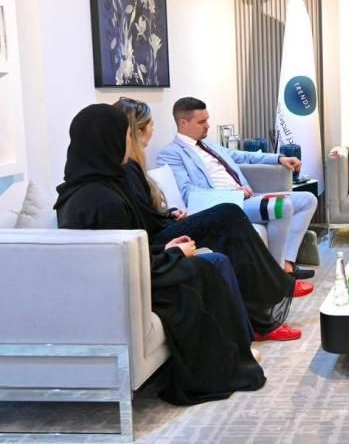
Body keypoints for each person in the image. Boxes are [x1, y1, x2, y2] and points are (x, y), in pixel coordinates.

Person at [55, 104, 266, 405]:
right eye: (125, 135)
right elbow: (123, 267)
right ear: (109, 141)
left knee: (210, 261)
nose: (129, 142)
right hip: (127, 289)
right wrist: (174, 254)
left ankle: (235, 350)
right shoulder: (102, 200)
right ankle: (227, 359)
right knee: (209, 266)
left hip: (130, 276)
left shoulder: (87, 188)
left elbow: (126, 250)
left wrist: (166, 249)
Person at [114, 97, 304, 340]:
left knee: (242, 215)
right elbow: (174, 200)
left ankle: (273, 290)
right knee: (230, 213)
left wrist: (169, 213)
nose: (154, 129)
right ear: (137, 130)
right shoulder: (159, 157)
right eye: (150, 124)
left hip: (166, 224)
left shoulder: (202, 147)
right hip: (162, 237)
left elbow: (143, 212)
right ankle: (276, 289)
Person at [156, 97, 317, 284]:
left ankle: (287, 263)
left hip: (247, 198)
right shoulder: (171, 154)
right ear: (183, 123)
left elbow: (243, 156)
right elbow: (189, 192)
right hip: (224, 207)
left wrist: (279, 158)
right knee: (281, 206)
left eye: (207, 120)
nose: (208, 125)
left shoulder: (208, 145)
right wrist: (235, 194)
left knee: (308, 200)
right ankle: (279, 276)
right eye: (201, 122)